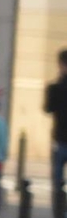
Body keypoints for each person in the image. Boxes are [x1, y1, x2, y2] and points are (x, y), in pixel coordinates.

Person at [47, 48, 67, 195]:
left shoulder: (54, 88)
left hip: (60, 138)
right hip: (59, 139)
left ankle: (59, 213)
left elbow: (48, 108)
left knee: (57, 184)